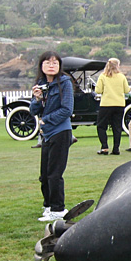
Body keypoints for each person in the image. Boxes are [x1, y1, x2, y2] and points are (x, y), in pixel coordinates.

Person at [29, 52, 74, 222]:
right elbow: (34, 111)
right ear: (41, 66)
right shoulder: (41, 84)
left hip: (60, 132)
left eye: (55, 63)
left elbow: (67, 109)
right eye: (47, 62)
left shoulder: (65, 83)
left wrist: (46, 120)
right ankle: (48, 206)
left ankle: (58, 209)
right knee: (44, 174)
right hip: (46, 134)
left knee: (55, 174)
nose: (51, 65)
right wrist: (36, 99)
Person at [94, 58, 129, 155]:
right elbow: (126, 90)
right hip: (119, 104)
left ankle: (104, 147)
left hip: (106, 104)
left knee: (101, 126)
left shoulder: (103, 76)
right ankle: (116, 148)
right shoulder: (121, 76)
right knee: (117, 127)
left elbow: (98, 90)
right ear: (118, 65)